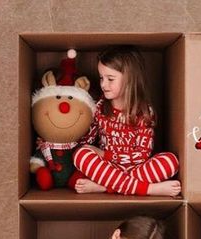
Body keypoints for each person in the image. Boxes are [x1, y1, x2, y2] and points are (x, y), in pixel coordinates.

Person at [73, 46, 180, 196]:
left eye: (110, 79)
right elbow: (87, 139)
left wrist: (105, 154)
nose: (103, 84)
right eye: (101, 78)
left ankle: (105, 187)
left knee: (170, 161)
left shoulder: (144, 111)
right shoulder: (99, 107)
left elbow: (143, 154)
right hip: (107, 169)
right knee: (81, 154)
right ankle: (148, 189)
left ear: (130, 79)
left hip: (137, 168)